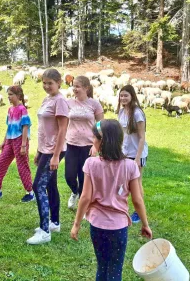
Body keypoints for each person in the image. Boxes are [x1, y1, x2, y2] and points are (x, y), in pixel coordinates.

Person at [70, 120, 152, 281]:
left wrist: (76, 224)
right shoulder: (130, 166)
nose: (92, 140)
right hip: (118, 228)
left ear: (101, 141)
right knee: (114, 271)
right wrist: (145, 224)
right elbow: (137, 200)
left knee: (102, 267)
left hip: (97, 225)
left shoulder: (91, 164)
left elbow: (85, 197)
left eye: (94, 137)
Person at [27, 69, 69, 245]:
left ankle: (45, 231)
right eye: (44, 83)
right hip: (45, 149)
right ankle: (54, 223)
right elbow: (44, 128)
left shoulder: (60, 101)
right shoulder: (47, 99)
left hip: (54, 149)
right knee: (50, 185)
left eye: (50, 83)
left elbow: (62, 130)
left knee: (38, 186)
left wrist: (55, 155)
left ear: (59, 82)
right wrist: (39, 150)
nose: (46, 86)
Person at [0, 85, 34, 202]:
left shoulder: (22, 109)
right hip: (10, 141)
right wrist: (4, 141)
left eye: (11, 95)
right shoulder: (10, 109)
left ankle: (30, 193)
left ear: (18, 96)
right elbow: (9, 127)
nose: (9, 97)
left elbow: (25, 127)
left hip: (20, 140)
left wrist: (23, 145)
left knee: (22, 167)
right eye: (8, 95)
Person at [65, 76, 103, 210]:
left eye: (77, 86)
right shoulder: (69, 102)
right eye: (73, 86)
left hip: (87, 145)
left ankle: (84, 206)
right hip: (71, 144)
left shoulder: (94, 104)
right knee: (69, 175)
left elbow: (100, 127)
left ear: (86, 88)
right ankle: (74, 192)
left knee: (83, 177)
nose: (74, 89)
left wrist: (95, 145)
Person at [117, 85, 148, 224]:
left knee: (136, 182)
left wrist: (137, 158)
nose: (123, 98)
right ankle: (123, 208)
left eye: (126, 95)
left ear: (132, 96)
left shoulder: (137, 113)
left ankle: (138, 212)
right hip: (124, 152)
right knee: (123, 181)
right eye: (121, 95)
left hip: (137, 153)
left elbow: (142, 137)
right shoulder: (121, 112)